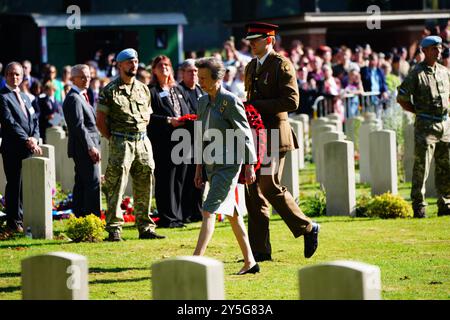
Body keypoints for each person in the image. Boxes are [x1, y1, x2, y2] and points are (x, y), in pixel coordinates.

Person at [243, 22, 320, 262]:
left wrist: (255, 106)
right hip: (256, 135)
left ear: (270, 39)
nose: (251, 43)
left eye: (256, 39)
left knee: (268, 184)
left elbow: (292, 101)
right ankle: (260, 251)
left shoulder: (281, 65)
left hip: (275, 134)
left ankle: (307, 226)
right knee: (253, 192)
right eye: (250, 40)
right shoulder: (250, 66)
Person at [193, 57, 259, 275]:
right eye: (198, 77)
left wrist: (249, 164)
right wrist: (198, 168)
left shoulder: (230, 101)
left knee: (208, 210)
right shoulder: (202, 102)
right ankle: (250, 262)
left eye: (203, 78)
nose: (199, 81)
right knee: (233, 214)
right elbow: (200, 135)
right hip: (211, 164)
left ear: (217, 78)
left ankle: (194, 262)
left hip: (229, 165)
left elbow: (244, 133)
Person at [97, 48, 165, 241]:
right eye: (129, 62)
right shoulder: (109, 90)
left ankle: (145, 227)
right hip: (121, 141)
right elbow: (101, 121)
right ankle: (114, 229)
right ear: (120, 65)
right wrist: (113, 139)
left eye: (135, 62)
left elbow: (148, 116)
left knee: (145, 182)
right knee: (116, 184)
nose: (133, 65)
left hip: (142, 141)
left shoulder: (143, 89)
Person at [397, 35, 450, 218]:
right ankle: (419, 205)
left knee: (446, 166)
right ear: (425, 51)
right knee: (422, 168)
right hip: (426, 125)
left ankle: (446, 203)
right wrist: (418, 112)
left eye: (440, 48)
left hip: (444, 124)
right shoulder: (416, 73)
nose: (439, 51)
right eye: (434, 48)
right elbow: (402, 98)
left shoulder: (444, 71)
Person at [147, 55, 193, 228]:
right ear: (154, 70)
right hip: (163, 141)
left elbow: (186, 109)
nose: (164, 68)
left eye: (167, 65)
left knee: (181, 178)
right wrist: (168, 120)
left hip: (181, 140)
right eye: (160, 65)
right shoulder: (151, 91)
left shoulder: (178, 90)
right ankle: (167, 217)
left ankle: (178, 216)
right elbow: (148, 117)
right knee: (166, 179)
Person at [0, 62, 42, 233]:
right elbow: (10, 123)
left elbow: (35, 121)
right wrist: (27, 139)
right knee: (15, 184)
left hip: (29, 147)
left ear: (23, 76)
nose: (14, 77)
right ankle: (14, 221)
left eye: (17, 74)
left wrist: (35, 138)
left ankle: (24, 217)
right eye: (10, 74)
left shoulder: (25, 97)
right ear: (5, 76)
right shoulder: (2, 97)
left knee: (27, 184)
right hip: (13, 148)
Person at [62, 64, 101, 218]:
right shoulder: (73, 98)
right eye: (82, 76)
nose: (86, 79)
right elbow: (79, 127)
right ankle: (93, 220)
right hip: (84, 148)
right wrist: (90, 147)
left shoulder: (83, 96)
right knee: (92, 184)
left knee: (81, 184)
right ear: (73, 79)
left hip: (85, 147)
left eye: (88, 76)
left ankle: (81, 217)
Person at [178, 59, 205, 223]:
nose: (193, 74)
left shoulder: (201, 90)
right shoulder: (178, 90)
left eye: (195, 71)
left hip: (201, 138)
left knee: (200, 176)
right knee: (186, 176)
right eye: (190, 71)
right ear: (182, 73)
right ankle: (185, 212)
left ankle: (198, 210)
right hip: (184, 139)